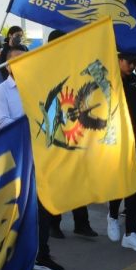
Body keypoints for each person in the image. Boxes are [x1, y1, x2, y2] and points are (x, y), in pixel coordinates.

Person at [0, 49, 65, 270]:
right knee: (17, 211)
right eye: (17, 61)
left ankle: (41, 254)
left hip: (42, 157)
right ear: (6, 66)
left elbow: (53, 120)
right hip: (17, 160)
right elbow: (3, 124)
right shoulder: (1, 92)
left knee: (42, 209)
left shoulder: (40, 87)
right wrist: (32, 119)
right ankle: (13, 256)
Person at [42, 30, 98, 239]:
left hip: (74, 126)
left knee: (78, 177)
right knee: (57, 181)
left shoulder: (73, 64)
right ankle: (53, 224)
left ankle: (81, 223)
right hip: (54, 129)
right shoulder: (45, 65)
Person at [107, 52, 136, 253]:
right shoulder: (108, 79)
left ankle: (130, 233)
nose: (132, 65)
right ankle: (113, 215)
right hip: (115, 143)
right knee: (119, 183)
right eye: (129, 61)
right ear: (118, 60)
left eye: (135, 62)